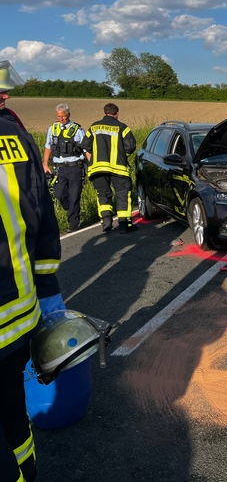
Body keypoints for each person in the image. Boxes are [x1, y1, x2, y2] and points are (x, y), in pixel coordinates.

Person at [0, 62, 67, 482]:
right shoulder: (16, 135)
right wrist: (48, 288)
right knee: (11, 409)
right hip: (18, 316)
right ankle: (28, 470)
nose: (5, 98)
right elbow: (42, 217)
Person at [80, 103, 137, 233]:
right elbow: (131, 146)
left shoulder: (94, 127)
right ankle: (124, 225)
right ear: (117, 114)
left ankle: (106, 223)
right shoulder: (122, 127)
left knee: (103, 195)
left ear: (105, 112)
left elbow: (85, 145)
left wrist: (93, 160)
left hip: (98, 169)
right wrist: (123, 155)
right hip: (118, 169)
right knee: (122, 194)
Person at [42, 104, 87, 232]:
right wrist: (45, 164)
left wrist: (92, 164)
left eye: (63, 116)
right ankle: (72, 210)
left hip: (75, 168)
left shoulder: (78, 130)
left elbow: (86, 149)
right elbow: (48, 147)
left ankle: (73, 223)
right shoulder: (52, 129)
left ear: (69, 115)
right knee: (59, 194)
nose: (61, 119)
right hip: (60, 168)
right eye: (59, 116)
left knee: (74, 196)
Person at [0, 60, 26, 129]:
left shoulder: (10, 115)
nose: (7, 96)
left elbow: (24, 138)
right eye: (1, 91)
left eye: (7, 91)